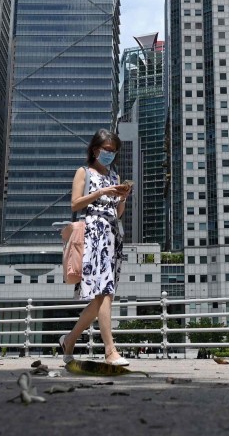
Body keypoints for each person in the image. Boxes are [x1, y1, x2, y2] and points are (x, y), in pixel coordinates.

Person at [58, 129, 132, 366]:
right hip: (93, 234)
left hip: (112, 236)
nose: (110, 155)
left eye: (114, 151)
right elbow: (75, 203)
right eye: (107, 150)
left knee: (102, 296)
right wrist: (101, 191)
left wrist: (122, 197)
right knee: (105, 292)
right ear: (95, 150)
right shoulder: (84, 172)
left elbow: (118, 213)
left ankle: (69, 340)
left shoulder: (114, 176)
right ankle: (110, 350)